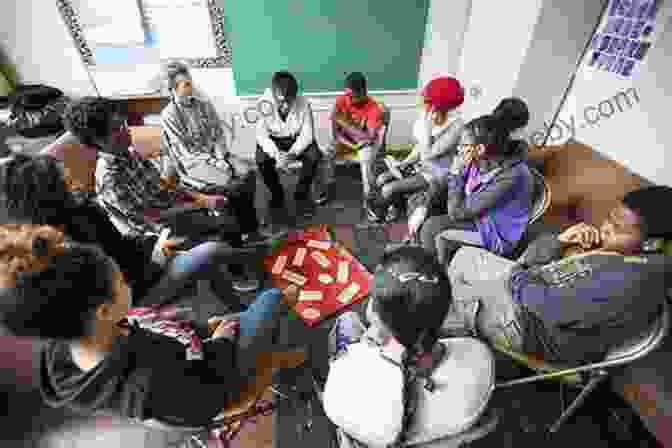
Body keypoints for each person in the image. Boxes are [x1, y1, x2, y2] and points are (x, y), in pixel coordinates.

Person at [0, 224, 307, 429]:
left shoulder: (67, 345)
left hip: (192, 357)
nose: (125, 282)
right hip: (220, 383)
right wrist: (220, 343)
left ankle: (272, 347)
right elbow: (204, 396)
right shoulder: (150, 380)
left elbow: (140, 331)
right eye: (120, 280)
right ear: (104, 310)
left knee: (244, 318)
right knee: (271, 301)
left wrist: (176, 328)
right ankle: (282, 352)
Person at [0, 152, 264, 309]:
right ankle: (262, 254)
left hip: (141, 263)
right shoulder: (58, 247)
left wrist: (151, 243)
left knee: (207, 251)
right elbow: (111, 286)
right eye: (66, 182)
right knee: (211, 251)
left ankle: (240, 299)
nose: (76, 182)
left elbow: (122, 244)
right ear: (50, 196)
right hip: (130, 293)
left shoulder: (85, 209)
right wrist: (158, 258)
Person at [444, 186, 672, 365]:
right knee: (462, 257)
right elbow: (532, 263)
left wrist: (516, 275)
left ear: (651, 244)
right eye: (609, 218)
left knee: (450, 292)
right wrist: (561, 241)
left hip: (531, 327)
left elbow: (548, 306)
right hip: (531, 290)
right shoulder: (624, 254)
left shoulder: (631, 280)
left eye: (618, 228)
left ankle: (459, 328)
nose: (605, 228)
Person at [57, 97, 258, 292]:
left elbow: (164, 185)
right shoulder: (110, 180)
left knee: (235, 191)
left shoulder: (128, 151)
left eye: (123, 124)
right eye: (117, 130)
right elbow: (153, 218)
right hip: (162, 228)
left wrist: (200, 197)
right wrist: (202, 204)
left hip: (171, 204)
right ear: (96, 143)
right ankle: (237, 273)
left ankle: (246, 238)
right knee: (226, 222)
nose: (126, 131)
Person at [322, 246, 495, 447]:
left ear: (377, 325)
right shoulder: (479, 357)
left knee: (348, 321)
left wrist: (366, 348)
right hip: (436, 430)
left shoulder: (343, 385)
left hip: (373, 422)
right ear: (446, 315)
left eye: (374, 302)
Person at [160, 62, 265, 245]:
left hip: (217, 156)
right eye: (186, 84)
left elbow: (217, 134)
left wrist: (221, 157)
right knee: (232, 185)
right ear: (173, 89)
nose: (191, 86)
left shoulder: (204, 104)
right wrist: (217, 164)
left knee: (248, 173)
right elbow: (186, 152)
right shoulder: (169, 115)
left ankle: (250, 228)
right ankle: (238, 234)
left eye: (190, 81)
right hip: (194, 164)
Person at [418, 98, 533, 263]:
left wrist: (456, 172)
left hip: (493, 231)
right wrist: (426, 202)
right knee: (426, 201)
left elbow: (457, 212)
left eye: (463, 144)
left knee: (431, 228)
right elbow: (446, 183)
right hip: (476, 211)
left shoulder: (511, 174)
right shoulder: (483, 156)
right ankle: (425, 255)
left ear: (479, 149)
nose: (459, 149)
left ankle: (435, 271)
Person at [366, 76, 464, 223]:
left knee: (388, 189)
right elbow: (419, 147)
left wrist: (426, 128)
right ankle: (393, 206)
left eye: (427, 100)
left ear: (438, 104)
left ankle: (381, 216)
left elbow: (428, 155)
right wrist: (406, 162)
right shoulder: (429, 116)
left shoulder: (456, 126)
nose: (423, 103)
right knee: (381, 179)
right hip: (420, 166)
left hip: (435, 174)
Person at [255, 71, 321, 213]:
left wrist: (292, 153)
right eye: (280, 101)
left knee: (314, 156)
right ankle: (276, 193)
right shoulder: (262, 103)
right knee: (261, 161)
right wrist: (277, 154)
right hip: (274, 141)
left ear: (295, 95)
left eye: (288, 101)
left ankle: (301, 193)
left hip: (296, 140)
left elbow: (308, 134)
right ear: (273, 94)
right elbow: (261, 136)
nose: (285, 106)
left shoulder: (303, 103)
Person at [321, 72, 386, 207]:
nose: (348, 99)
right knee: (326, 154)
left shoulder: (374, 108)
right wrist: (351, 145)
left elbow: (369, 137)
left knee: (366, 159)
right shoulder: (341, 101)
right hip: (345, 141)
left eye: (352, 96)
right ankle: (328, 188)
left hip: (365, 144)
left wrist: (343, 123)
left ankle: (369, 198)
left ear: (363, 92)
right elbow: (335, 135)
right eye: (347, 94)